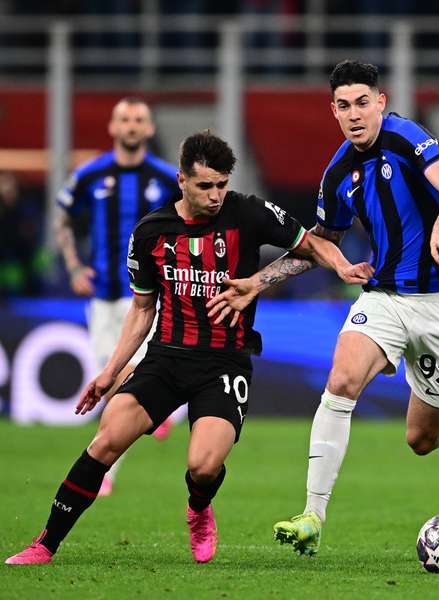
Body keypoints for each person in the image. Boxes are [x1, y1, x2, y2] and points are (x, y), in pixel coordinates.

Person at [5, 131, 371, 566]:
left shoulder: (248, 213)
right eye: (205, 186)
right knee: (105, 441)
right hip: (165, 358)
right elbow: (142, 310)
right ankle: (45, 544)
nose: (216, 195)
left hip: (224, 362)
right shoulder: (150, 232)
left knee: (202, 465)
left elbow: (312, 245)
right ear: (181, 180)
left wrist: (318, 270)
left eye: (221, 184)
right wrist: (109, 372)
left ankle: (198, 508)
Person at [206, 60, 439, 557]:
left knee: (421, 440)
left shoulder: (407, 137)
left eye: (362, 103)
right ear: (332, 111)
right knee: (341, 380)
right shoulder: (338, 172)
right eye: (343, 106)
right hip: (385, 295)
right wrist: (259, 282)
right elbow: (321, 243)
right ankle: (313, 514)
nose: (354, 114)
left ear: (381, 101)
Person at [55, 97, 181, 495]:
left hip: (149, 297)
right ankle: (154, 420)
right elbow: (62, 218)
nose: (130, 125)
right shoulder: (91, 175)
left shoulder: (165, 178)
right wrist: (75, 267)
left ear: (148, 129)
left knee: (132, 375)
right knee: (110, 383)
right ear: (112, 127)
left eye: (138, 120)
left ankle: (107, 469)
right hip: (105, 296)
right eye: (124, 119)